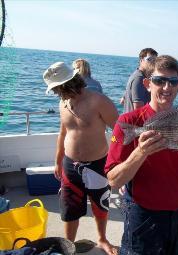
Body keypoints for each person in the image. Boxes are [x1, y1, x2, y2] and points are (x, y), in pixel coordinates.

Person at [105, 55, 178, 254]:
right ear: (147, 84)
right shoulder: (128, 122)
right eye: (159, 81)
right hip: (143, 217)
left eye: (173, 82)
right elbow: (113, 181)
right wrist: (140, 152)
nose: (167, 87)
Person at [43, 62, 119, 255]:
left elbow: (119, 133)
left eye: (58, 89)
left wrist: (117, 162)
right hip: (70, 166)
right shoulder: (63, 103)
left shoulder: (98, 101)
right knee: (69, 209)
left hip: (98, 164)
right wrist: (58, 160)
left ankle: (102, 239)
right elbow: (63, 133)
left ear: (69, 83)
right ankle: (69, 244)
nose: (57, 94)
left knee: (99, 205)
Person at [122, 47, 158, 113]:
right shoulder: (139, 78)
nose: (152, 62)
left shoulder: (137, 75)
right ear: (141, 60)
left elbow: (122, 100)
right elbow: (138, 109)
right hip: (136, 123)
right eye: (149, 59)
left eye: (155, 60)